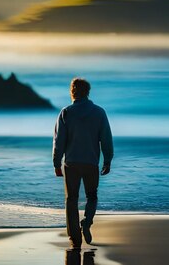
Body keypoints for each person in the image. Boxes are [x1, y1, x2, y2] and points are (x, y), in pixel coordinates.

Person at [53, 78, 113, 248]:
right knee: (91, 196)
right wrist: (107, 159)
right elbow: (106, 139)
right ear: (88, 92)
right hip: (91, 162)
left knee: (71, 199)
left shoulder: (66, 113)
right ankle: (86, 222)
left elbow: (59, 141)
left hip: (71, 163)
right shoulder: (99, 112)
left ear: (72, 92)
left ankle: (75, 238)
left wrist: (56, 163)